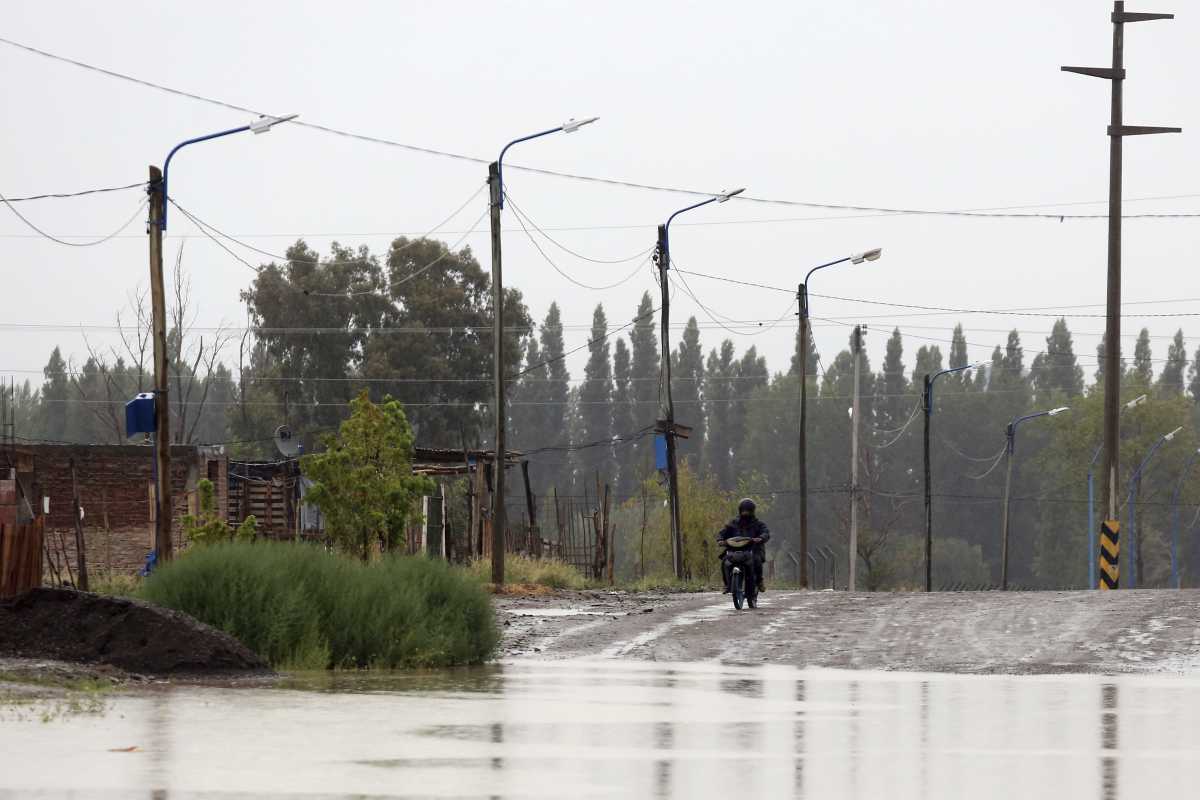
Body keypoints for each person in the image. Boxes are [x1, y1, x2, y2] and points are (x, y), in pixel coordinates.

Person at [717, 498, 770, 593]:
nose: (745, 513)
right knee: (725, 560)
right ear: (740, 510)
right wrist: (720, 540)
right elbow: (722, 532)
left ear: (752, 510)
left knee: (757, 560)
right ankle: (726, 584)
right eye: (743, 510)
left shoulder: (758, 524)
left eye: (748, 510)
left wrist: (761, 538)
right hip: (733, 550)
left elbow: (765, 532)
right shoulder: (733, 523)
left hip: (752, 550)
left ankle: (759, 581)